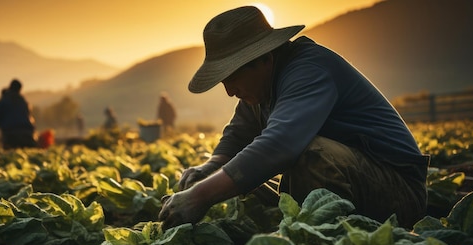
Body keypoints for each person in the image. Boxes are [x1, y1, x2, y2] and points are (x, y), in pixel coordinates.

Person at [159, 6, 429, 230]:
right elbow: (237, 137)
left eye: (233, 78)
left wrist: (200, 196)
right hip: (357, 183)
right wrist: (209, 168)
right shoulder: (261, 89)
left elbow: (281, 145)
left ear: (264, 59)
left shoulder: (308, 70)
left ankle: (322, 240)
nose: (230, 92)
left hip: (399, 191)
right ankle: (304, 228)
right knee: (234, 177)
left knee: (311, 152)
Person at [0, 79, 37, 149]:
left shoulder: (4, 100)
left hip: (11, 136)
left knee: (10, 153)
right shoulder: (23, 101)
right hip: (28, 136)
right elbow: (29, 119)